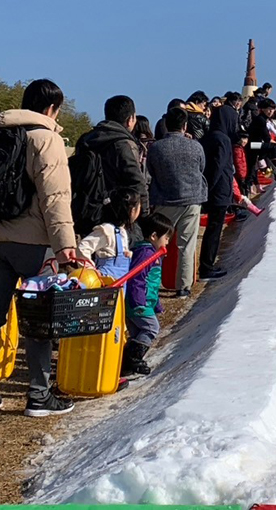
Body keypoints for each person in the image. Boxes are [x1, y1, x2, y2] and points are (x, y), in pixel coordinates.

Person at [0, 79, 77, 418]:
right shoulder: (47, 140)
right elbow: (56, 199)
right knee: (38, 320)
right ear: (51, 108)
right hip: (33, 241)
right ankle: (39, 395)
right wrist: (65, 248)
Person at [146, 107, 207, 298]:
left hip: (165, 199)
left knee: (158, 244)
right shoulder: (195, 146)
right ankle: (184, 287)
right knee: (186, 245)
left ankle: (151, 285)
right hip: (192, 199)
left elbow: (151, 172)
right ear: (185, 125)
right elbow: (201, 167)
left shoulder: (156, 148)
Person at [70, 95, 149, 235]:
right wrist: (145, 214)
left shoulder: (86, 140)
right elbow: (137, 182)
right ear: (130, 119)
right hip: (118, 214)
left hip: (86, 210)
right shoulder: (123, 144)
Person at [122, 214, 173, 376]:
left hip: (144, 301)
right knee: (151, 328)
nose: (167, 242)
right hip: (137, 302)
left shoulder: (152, 253)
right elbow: (137, 278)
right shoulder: (145, 253)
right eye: (166, 238)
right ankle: (133, 358)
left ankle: (125, 364)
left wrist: (155, 303)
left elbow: (152, 283)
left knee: (138, 333)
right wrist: (139, 302)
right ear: (153, 236)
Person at [198, 103, 237, 282]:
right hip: (218, 191)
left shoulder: (207, 137)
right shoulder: (223, 139)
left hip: (210, 190)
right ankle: (207, 267)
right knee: (214, 231)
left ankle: (206, 265)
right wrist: (210, 188)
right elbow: (218, 167)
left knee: (211, 230)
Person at [77, 187, 141, 279]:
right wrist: (91, 271)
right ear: (132, 210)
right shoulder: (106, 230)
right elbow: (82, 248)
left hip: (119, 286)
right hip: (105, 284)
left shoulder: (122, 230)